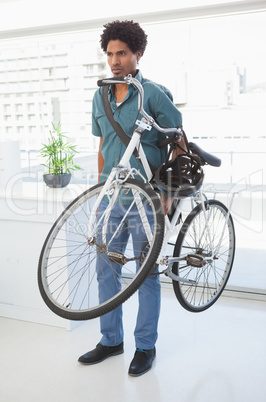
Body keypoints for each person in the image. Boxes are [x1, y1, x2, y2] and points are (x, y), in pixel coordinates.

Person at [78, 20, 183, 376]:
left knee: (146, 274)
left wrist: (168, 192)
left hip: (146, 199)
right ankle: (111, 340)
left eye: (122, 53)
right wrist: (99, 189)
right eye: (109, 54)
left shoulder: (153, 93)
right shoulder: (100, 95)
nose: (114, 61)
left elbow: (179, 140)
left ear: (138, 53)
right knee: (106, 271)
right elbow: (103, 147)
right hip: (112, 199)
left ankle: (145, 346)